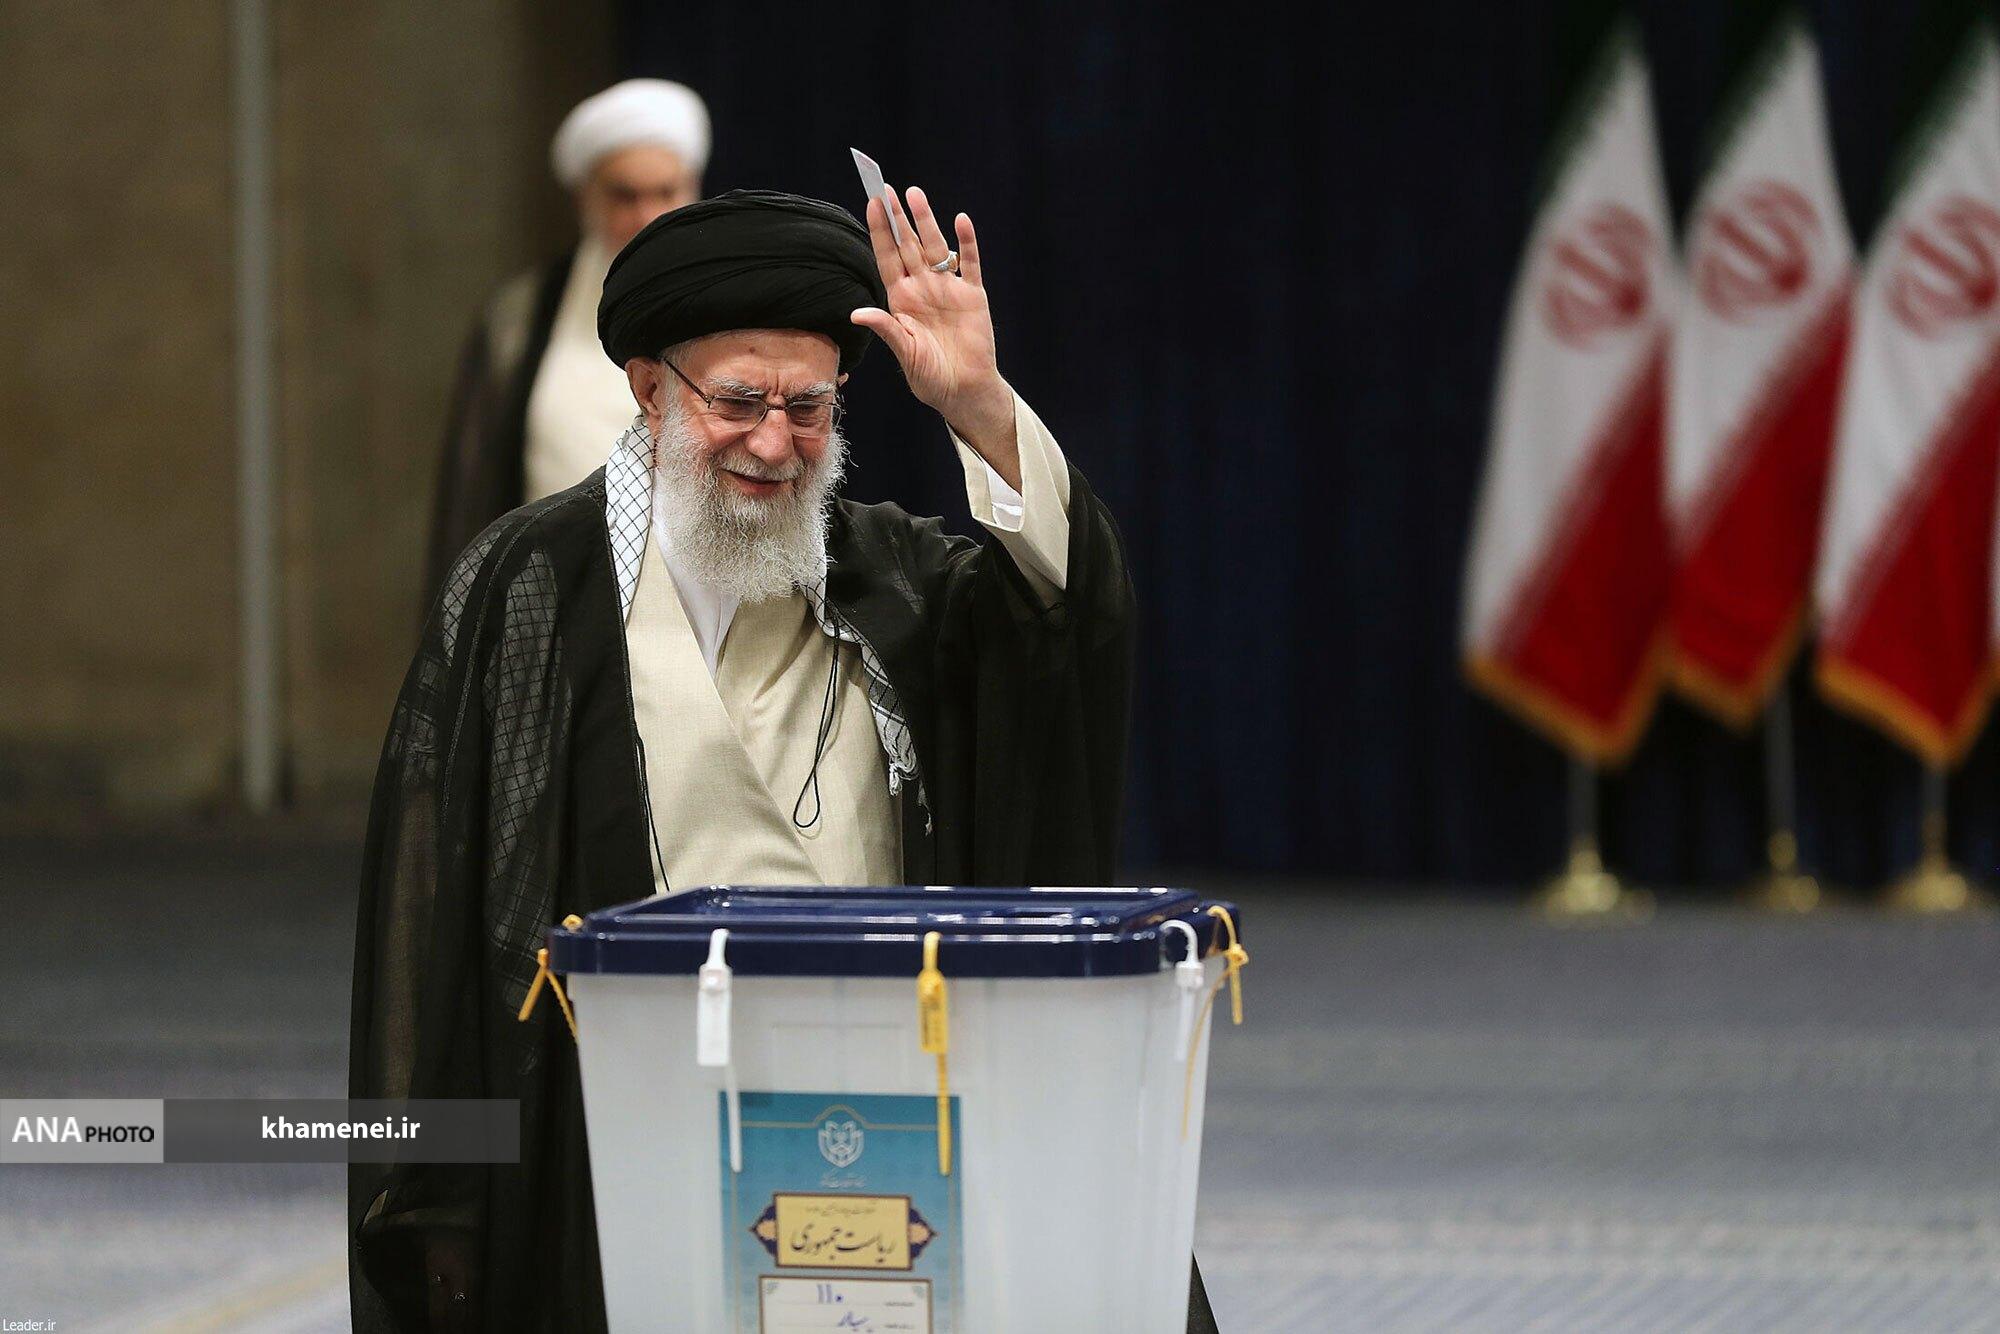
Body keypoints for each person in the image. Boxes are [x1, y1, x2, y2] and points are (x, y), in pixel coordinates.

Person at [349, 186, 1218, 1331]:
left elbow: (1059, 622)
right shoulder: (532, 586)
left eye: (808, 408)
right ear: (650, 388)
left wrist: (979, 408)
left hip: (877, 1112)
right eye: (739, 401)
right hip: (619, 1131)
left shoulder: (888, 575)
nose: (774, 442)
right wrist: (443, 1192)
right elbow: (439, 900)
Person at [425, 78, 708, 600]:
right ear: (585, 197)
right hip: (547, 602)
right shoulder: (520, 318)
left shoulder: (735, 307)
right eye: (624, 195)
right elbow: (471, 488)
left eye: (665, 193)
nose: (646, 216)